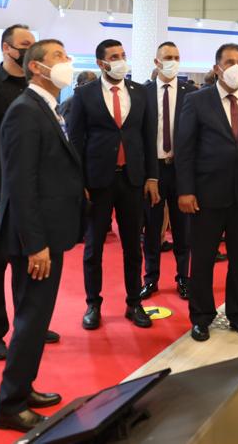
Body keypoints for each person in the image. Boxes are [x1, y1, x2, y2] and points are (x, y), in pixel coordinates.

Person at [0, 39, 83, 432]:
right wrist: (36, 245)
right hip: (35, 239)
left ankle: (23, 387)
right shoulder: (25, 111)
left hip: (48, 231)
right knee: (31, 320)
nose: (66, 62)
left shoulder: (47, 107)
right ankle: (9, 405)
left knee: (36, 317)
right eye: (58, 56)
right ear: (36, 67)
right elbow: (21, 183)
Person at [0, 25, 59, 360]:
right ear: (6, 48)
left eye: (34, 44)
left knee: (29, 261)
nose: (30, 50)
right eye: (24, 45)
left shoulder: (39, 88)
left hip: (33, 194)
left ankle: (28, 324)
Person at [175, 43, 238, 342]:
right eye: (230, 62)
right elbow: (185, 149)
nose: (236, 67)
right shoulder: (197, 100)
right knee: (203, 260)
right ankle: (201, 317)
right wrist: (185, 190)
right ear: (217, 68)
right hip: (206, 195)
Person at [67, 39, 159, 331]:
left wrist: (152, 177)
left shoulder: (140, 92)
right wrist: (78, 181)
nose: (121, 60)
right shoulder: (84, 95)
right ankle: (93, 304)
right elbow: (75, 140)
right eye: (114, 56)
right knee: (94, 247)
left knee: (133, 246)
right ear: (101, 63)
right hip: (97, 181)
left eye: (123, 55)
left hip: (132, 180)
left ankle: (134, 302)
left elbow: (149, 138)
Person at [140, 41, 192, 301]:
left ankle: (183, 277)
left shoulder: (190, 93)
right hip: (154, 171)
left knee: (183, 229)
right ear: (156, 62)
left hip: (181, 170)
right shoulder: (143, 93)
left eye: (176, 57)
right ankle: (151, 278)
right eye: (167, 57)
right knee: (152, 228)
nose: (172, 61)